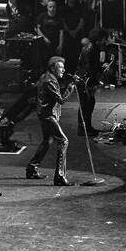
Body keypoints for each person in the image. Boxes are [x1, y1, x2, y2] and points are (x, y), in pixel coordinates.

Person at [25, 56, 75, 185]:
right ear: (53, 68)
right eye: (61, 68)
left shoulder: (48, 77)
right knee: (63, 141)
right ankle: (59, 176)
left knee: (47, 141)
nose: (63, 70)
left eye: (63, 68)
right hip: (48, 115)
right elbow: (61, 99)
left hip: (45, 113)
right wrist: (71, 88)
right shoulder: (49, 81)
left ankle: (32, 168)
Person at [75, 27, 109, 136]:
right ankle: (84, 129)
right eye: (104, 39)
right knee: (86, 104)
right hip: (85, 81)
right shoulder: (91, 49)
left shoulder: (90, 47)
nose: (104, 41)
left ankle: (86, 127)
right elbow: (90, 68)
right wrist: (100, 71)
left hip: (83, 79)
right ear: (99, 38)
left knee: (87, 104)